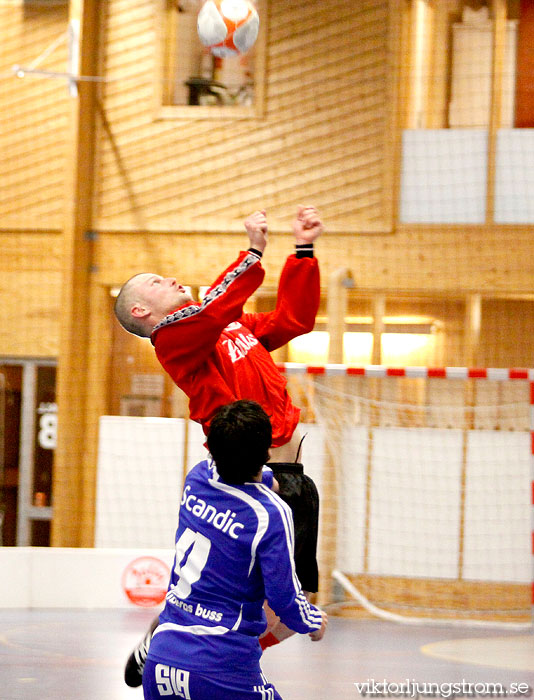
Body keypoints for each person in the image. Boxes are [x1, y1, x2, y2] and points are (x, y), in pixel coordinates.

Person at [114, 205, 323, 686]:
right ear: (143, 312)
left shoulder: (230, 327)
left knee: (294, 606)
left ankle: (172, 638)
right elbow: (214, 308)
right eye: (155, 282)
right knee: (274, 607)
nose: (169, 277)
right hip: (249, 480)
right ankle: (205, 655)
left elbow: (295, 319)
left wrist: (304, 252)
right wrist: (252, 249)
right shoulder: (174, 339)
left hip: (290, 476)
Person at [142, 399, 327, 700]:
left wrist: (270, 479)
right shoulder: (270, 514)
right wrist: (312, 621)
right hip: (221, 666)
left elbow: (233, 472)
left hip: (162, 660)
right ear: (267, 453)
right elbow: (284, 598)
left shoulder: (197, 478)